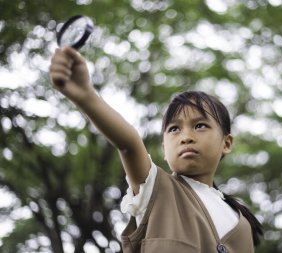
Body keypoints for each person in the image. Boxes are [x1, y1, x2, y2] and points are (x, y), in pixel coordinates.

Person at [49, 47, 263, 253]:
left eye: (200, 126)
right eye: (174, 129)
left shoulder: (242, 222)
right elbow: (128, 145)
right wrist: (86, 95)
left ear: (226, 143)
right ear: (164, 148)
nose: (186, 137)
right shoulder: (156, 188)